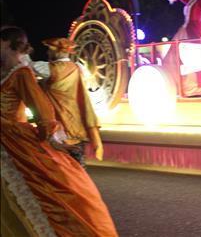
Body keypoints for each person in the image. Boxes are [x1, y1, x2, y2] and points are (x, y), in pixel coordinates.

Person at [1, 26, 118, 237]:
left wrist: (52, 136)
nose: (50, 53)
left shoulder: (32, 72)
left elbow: (41, 107)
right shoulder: (62, 69)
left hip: (41, 133)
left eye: (52, 50)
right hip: (59, 128)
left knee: (62, 186)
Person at [32, 37, 104, 167]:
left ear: (56, 51)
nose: (48, 53)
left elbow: (28, 65)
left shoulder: (51, 69)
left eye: (49, 50)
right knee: (77, 165)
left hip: (59, 124)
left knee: (61, 167)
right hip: (77, 123)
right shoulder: (79, 68)